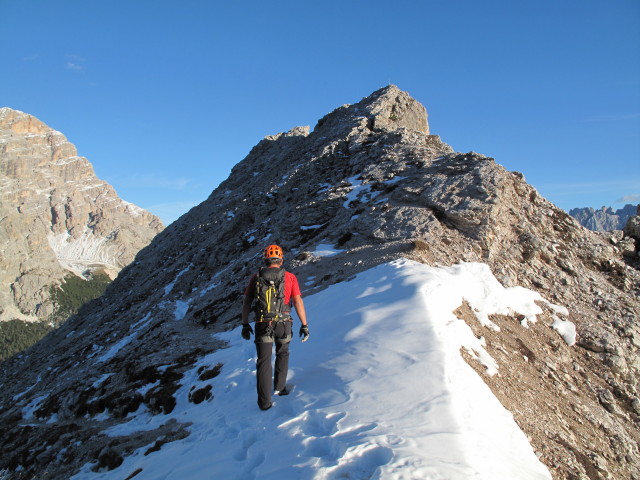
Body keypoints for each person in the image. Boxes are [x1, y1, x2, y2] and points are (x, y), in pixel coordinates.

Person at [241, 244, 309, 410]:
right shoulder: (290, 277)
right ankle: (280, 388)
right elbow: (298, 301)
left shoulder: (256, 277)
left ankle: (264, 403)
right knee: (282, 353)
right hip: (284, 323)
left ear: (265, 259)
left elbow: (247, 302)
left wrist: (244, 323)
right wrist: (304, 324)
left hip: (263, 322)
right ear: (281, 259)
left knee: (263, 361)